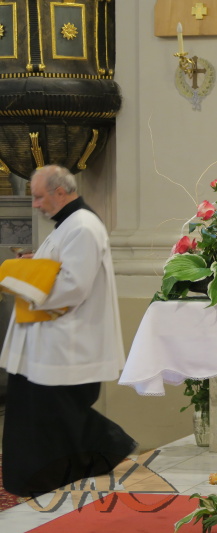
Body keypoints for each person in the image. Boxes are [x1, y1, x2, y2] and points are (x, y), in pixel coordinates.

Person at [0, 165, 135, 497]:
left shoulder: (83, 227)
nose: (35, 204)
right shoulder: (70, 225)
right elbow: (60, 269)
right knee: (42, 417)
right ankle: (40, 480)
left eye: (38, 197)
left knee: (59, 416)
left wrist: (24, 280)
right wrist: (34, 266)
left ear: (61, 192)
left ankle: (112, 444)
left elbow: (73, 285)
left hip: (66, 343)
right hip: (49, 342)